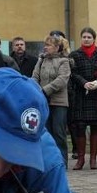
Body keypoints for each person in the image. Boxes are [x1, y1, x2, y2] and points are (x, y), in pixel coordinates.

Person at [68, 27, 97, 170]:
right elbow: (73, 73)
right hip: (81, 94)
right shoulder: (74, 55)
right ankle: (80, 159)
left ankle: (93, 159)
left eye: (89, 37)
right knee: (80, 127)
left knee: (95, 127)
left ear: (94, 39)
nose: (86, 39)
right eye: (84, 37)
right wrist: (84, 83)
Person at [32, 34, 72, 167]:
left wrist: (45, 90)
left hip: (59, 102)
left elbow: (62, 79)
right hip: (43, 101)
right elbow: (35, 77)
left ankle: (62, 161)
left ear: (56, 47)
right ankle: (48, 160)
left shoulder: (64, 61)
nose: (45, 47)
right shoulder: (41, 60)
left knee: (59, 132)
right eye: (45, 44)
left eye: (48, 45)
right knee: (45, 132)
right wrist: (36, 90)